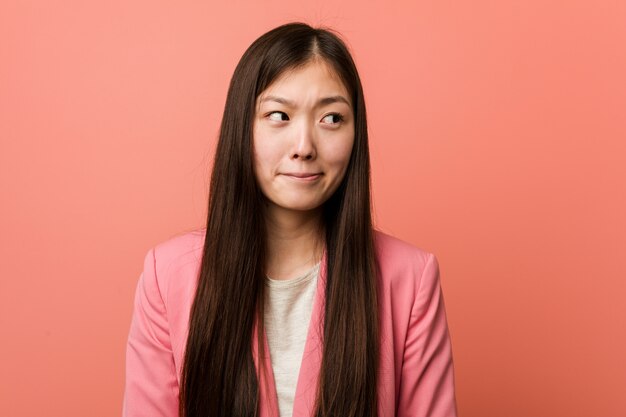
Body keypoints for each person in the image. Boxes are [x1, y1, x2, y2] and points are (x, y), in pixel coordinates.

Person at [123, 22, 458, 417]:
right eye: (279, 115)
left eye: (331, 118)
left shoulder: (410, 278)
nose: (303, 147)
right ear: (242, 128)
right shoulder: (168, 277)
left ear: (357, 134)